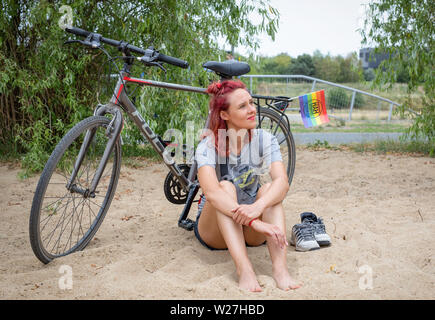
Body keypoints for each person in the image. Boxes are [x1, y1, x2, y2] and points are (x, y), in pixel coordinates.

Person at [194, 80, 302, 292]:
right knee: (225, 188)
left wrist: (257, 208)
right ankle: (245, 271)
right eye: (242, 106)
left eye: (251, 103)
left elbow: (282, 182)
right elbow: (212, 194)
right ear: (224, 115)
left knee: (269, 189)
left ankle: (280, 271)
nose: (252, 109)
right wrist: (255, 222)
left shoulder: (265, 139)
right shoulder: (207, 146)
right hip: (216, 231)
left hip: (250, 231)